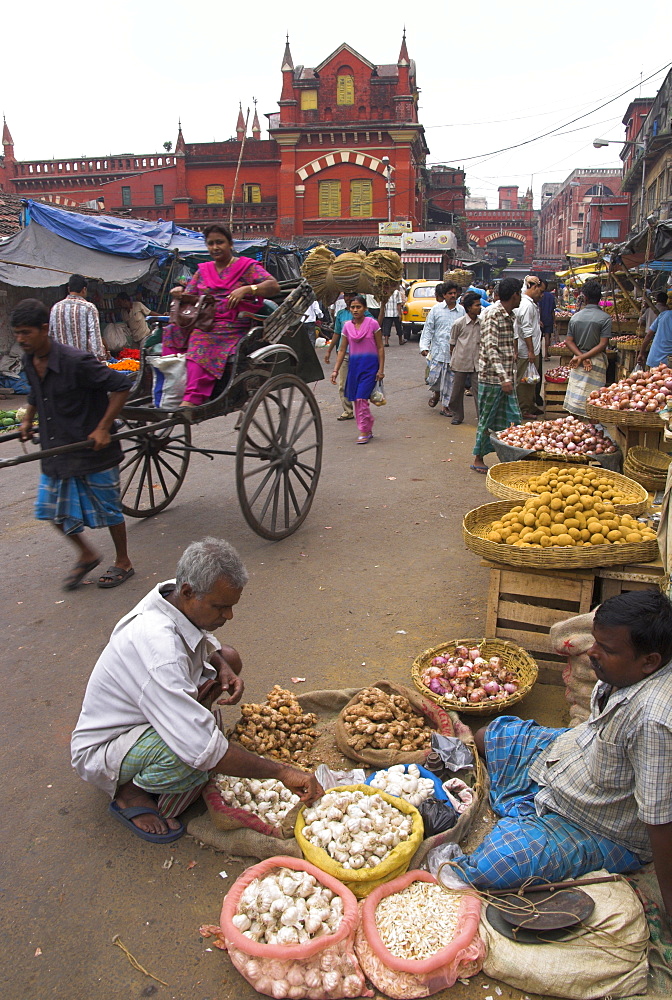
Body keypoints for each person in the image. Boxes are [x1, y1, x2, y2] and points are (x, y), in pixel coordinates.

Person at [71, 537, 323, 843]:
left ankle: (182, 727)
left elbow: (198, 638)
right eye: (221, 607)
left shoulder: (173, 594)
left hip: (149, 709)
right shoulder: (158, 649)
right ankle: (129, 792)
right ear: (189, 592)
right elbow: (202, 750)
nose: (229, 616)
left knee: (227, 657)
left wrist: (223, 666)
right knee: (191, 760)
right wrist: (282, 772)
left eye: (231, 606)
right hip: (108, 744)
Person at [444, 590, 672, 920]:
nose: (592, 653)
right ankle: (526, 799)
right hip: (573, 754)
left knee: (495, 864)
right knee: (488, 735)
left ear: (649, 661)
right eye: (595, 642)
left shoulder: (654, 721)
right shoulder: (627, 670)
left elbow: (660, 820)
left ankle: (530, 818)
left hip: (599, 823)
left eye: (605, 649)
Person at [13, 298, 135, 590]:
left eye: (25, 333)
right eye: (17, 333)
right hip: (58, 446)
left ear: (44, 329)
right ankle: (86, 552)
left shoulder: (76, 362)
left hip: (94, 448)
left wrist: (104, 428)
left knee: (110, 510)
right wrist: (28, 420)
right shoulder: (30, 361)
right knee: (50, 508)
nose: (20, 339)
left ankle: (123, 561)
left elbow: (121, 386)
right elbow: (35, 393)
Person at [164, 224, 281, 407]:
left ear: (230, 244)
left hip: (232, 327)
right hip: (203, 321)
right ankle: (170, 389)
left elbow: (273, 286)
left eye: (220, 242)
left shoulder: (246, 266)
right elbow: (190, 294)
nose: (215, 247)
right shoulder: (202, 270)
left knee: (200, 340)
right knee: (170, 331)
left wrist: (248, 288)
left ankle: (193, 398)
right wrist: (180, 292)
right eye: (210, 243)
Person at [471, 278, 522, 474]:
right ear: (515, 294)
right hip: (493, 379)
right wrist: (504, 378)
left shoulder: (510, 315)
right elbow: (491, 349)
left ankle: (511, 457)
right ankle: (478, 458)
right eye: (520, 294)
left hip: (506, 377)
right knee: (487, 420)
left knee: (513, 419)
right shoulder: (492, 314)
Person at [330, 295, 384, 444]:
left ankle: (364, 430)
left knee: (361, 398)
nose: (355, 310)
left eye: (358, 307)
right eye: (352, 307)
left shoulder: (372, 324)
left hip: (370, 367)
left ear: (365, 308)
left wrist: (381, 369)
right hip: (354, 367)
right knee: (356, 400)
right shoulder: (347, 326)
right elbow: (341, 350)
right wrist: (335, 370)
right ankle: (367, 426)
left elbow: (380, 347)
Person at [563, 278, 611, 418]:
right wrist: (584, 358)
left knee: (576, 399)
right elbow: (603, 344)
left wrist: (580, 357)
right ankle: (595, 433)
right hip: (596, 362)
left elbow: (568, 341)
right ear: (599, 298)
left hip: (577, 360)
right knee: (594, 400)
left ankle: (574, 428)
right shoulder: (605, 318)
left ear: (585, 297)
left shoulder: (576, 317)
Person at [324, 293, 374, 421]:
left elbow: (376, 329)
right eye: (346, 296)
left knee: (360, 385)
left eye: (358, 307)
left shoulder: (367, 316)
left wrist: (383, 307)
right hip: (345, 354)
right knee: (343, 385)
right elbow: (336, 334)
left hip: (362, 356)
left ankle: (362, 410)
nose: (355, 310)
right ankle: (348, 410)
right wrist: (329, 350)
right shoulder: (341, 315)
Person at [420, 281, 465, 416]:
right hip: (437, 351)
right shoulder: (436, 310)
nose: (453, 295)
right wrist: (424, 346)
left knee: (450, 381)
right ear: (444, 295)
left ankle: (445, 407)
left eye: (454, 293)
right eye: (450, 293)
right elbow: (428, 328)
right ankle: (436, 394)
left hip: (453, 353)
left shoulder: (461, 310)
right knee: (434, 379)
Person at [49, 274, 106, 361]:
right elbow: (95, 339)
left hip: (62, 363)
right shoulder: (89, 308)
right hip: (82, 363)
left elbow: (51, 336)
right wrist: (101, 358)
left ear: (68, 289)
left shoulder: (56, 308)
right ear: (84, 289)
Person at [448, 291, 481, 425]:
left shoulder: (482, 323)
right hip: (461, 361)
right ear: (469, 308)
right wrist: (455, 358)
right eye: (476, 305)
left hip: (477, 363)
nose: (479, 307)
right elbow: (452, 343)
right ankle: (457, 415)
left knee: (479, 393)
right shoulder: (459, 323)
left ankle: (482, 418)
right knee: (456, 392)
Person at [514, 275, 544, 419]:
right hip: (526, 351)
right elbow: (525, 329)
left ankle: (530, 405)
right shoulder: (526, 304)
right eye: (540, 290)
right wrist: (531, 350)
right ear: (533, 287)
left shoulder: (530, 303)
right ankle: (523, 408)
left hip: (532, 349)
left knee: (531, 379)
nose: (541, 294)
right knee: (524, 381)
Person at [637, 292, 671, 367]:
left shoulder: (664, 314)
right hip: (667, 363)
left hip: (654, 357)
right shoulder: (664, 312)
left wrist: (641, 353)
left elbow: (648, 335)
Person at [538, 279, 556, 361]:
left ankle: (539, 354)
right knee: (547, 336)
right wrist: (554, 321)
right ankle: (546, 355)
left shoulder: (540, 295)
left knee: (539, 338)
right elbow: (553, 310)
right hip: (549, 318)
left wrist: (539, 319)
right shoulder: (551, 296)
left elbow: (539, 308)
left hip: (541, 318)